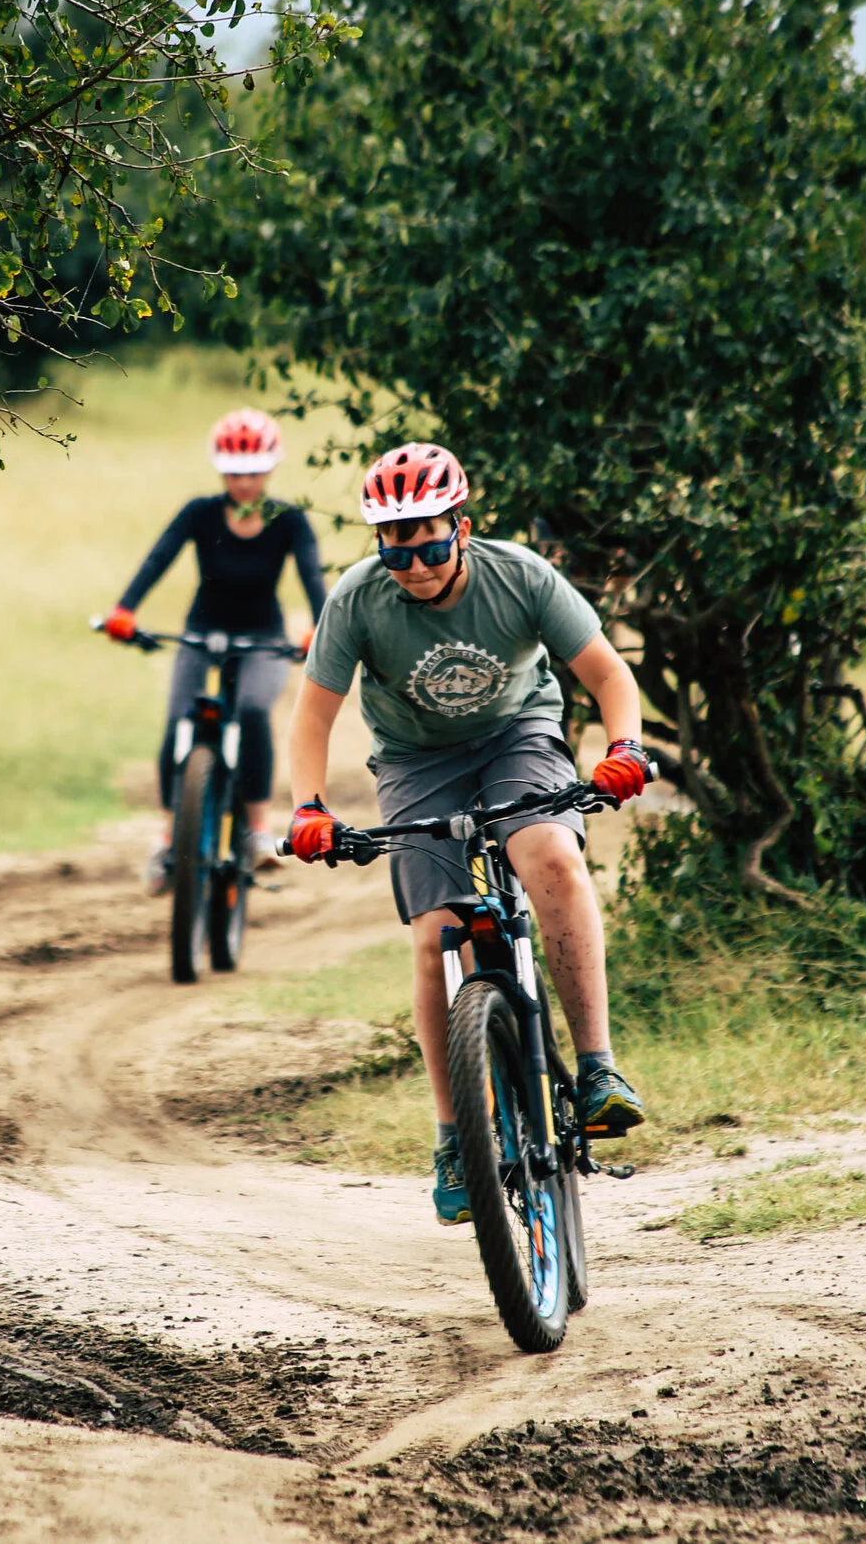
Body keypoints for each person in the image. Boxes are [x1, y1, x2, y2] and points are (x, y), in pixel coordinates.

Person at [281, 443, 653, 1227]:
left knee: (548, 853)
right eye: (393, 544)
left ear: (463, 526)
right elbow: (313, 714)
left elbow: (610, 676)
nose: (412, 562)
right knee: (435, 935)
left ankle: (596, 1069)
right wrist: (308, 808)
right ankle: (456, 1136)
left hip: (519, 733)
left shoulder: (520, 575)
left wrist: (624, 750)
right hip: (417, 760)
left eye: (429, 541)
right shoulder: (357, 600)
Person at [102, 409, 329, 893]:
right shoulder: (200, 513)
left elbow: (312, 576)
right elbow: (159, 557)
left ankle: (257, 831)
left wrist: (321, 627)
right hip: (201, 631)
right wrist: (125, 610)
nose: (243, 483)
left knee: (251, 710)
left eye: (252, 472)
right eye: (233, 472)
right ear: (220, 470)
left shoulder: (288, 520)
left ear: (269, 469)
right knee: (178, 719)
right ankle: (169, 838)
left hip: (264, 637)